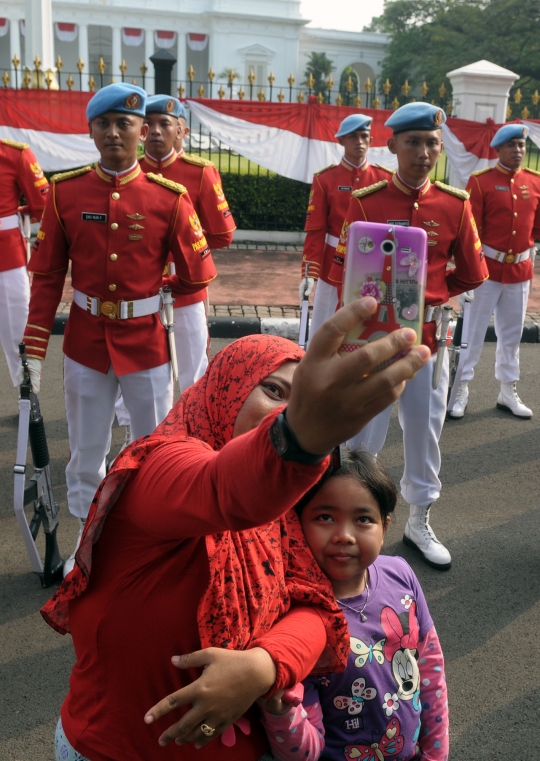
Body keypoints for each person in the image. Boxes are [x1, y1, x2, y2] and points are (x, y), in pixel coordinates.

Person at [41, 300, 430, 761]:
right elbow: (228, 490)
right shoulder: (158, 466)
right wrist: (299, 432)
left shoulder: (289, 505)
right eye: (273, 390)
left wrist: (262, 666)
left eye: (299, 397)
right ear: (226, 387)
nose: (286, 408)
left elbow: (316, 609)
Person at [17, 83, 217, 573]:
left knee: (152, 453)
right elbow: (45, 278)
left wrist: (156, 288)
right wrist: (35, 347)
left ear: (142, 130)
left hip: (147, 344)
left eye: (124, 124)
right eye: (103, 124)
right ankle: (87, 546)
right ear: (90, 131)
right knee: (86, 454)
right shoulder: (66, 192)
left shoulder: (169, 197)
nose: (113, 133)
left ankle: (147, 543)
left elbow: (199, 270)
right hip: (86, 343)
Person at [331, 102, 489, 570]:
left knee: (424, 430)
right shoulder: (366, 201)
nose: (423, 152)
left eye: (432, 143)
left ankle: (419, 519)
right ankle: (359, 517)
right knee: (365, 430)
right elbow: (346, 267)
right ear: (393, 145)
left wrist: (435, 297)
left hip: (427, 342)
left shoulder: (455, 204)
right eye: (413, 142)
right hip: (375, 340)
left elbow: (474, 272)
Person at [259, 451, 448, 761]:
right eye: (325, 517)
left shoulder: (400, 574)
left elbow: (430, 670)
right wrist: (279, 712)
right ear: (296, 524)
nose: (343, 535)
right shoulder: (294, 619)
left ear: (385, 526)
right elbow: (304, 753)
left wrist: (435, 753)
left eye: (363, 519)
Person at [141, 95, 236, 390]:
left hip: (186, 279)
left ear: (181, 131)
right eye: (149, 124)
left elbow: (222, 233)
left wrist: (186, 250)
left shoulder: (199, 172)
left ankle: (192, 428)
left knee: (192, 364)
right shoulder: (129, 173)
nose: (156, 130)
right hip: (137, 279)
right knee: (139, 366)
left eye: (164, 124)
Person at [449, 123, 540, 419]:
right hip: (485, 270)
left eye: (521, 146)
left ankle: (507, 390)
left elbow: (536, 225)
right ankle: (460, 386)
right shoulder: (481, 182)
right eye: (511, 145)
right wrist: (468, 270)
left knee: (512, 334)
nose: (518, 151)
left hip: (520, 271)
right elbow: (469, 229)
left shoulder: (535, 181)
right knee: (472, 333)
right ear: (498, 149)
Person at [300, 113, 393, 337]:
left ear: (371, 140)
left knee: (367, 324)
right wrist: (309, 273)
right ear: (341, 141)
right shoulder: (326, 179)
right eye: (352, 137)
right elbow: (315, 230)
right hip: (332, 264)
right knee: (324, 325)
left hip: (372, 262)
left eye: (364, 136)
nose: (359, 142)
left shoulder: (385, 179)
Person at [0, 138, 49, 387]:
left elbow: (43, 203)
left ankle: (27, 395)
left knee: (17, 331)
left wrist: (17, 214)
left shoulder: (15, 154)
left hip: (6, 257)